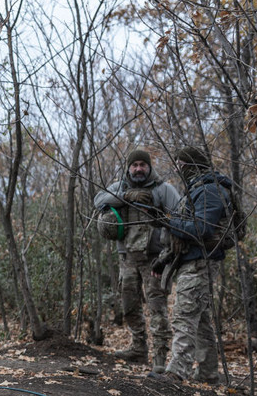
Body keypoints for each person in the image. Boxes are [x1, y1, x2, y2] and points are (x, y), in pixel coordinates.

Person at [148, 146, 236, 384]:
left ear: (191, 166)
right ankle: (208, 373)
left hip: (201, 263)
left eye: (181, 164)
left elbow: (201, 229)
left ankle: (176, 372)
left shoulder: (209, 190)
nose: (179, 169)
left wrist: (168, 221)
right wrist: (165, 258)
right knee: (201, 322)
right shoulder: (198, 189)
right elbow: (186, 231)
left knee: (184, 316)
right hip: (192, 261)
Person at [94, 148, 180, 373]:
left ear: (149, 167)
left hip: (155, 261)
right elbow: (98, 200)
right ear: (129, 168)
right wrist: (125, 197)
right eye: (135, 165)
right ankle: (138, 348)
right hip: (127, 260)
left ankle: (160, 357)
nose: (139, 168)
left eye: (143, 164)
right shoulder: (120, 187)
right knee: (129, 306)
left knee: (157, 308)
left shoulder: (163, 189)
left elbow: (181, 215)